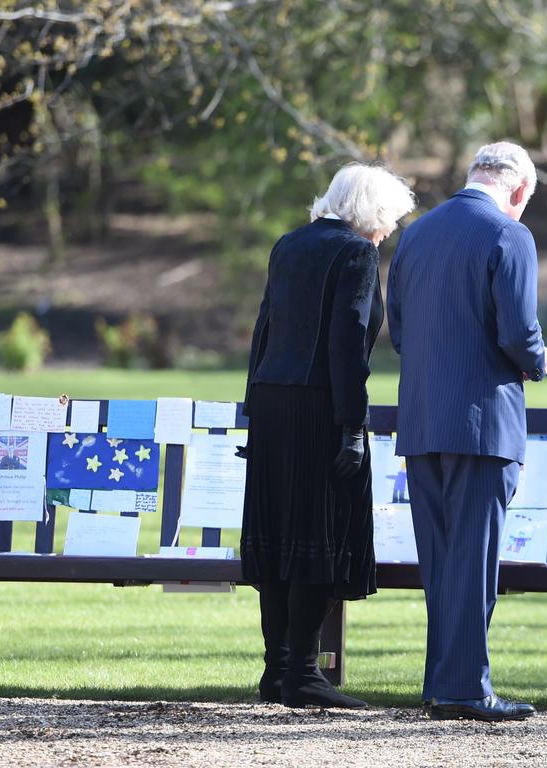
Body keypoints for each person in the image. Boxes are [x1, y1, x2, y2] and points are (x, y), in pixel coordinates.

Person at [387, 141, 547, 722]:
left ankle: (445, 683)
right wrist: (537, 360)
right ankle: (463, 690)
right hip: (483, 423)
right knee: (474, 561)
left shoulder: (417, 233)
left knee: (441, 561)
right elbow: (516, 329)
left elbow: (399, 330)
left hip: (423, 417)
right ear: (519, 190)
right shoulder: (511, 235)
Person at [241, 163, 415, 709]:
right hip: (321, 407)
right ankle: (304, 672)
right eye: (388, 218)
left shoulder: (288, 244)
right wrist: (352, 427)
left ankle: (276, 671)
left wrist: (253, 407)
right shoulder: (356, 253)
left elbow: (263, 330)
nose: (388, 231)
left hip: (272, 399)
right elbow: (347, 345)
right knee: (320, 532)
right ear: (370, 212)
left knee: (279, 535)